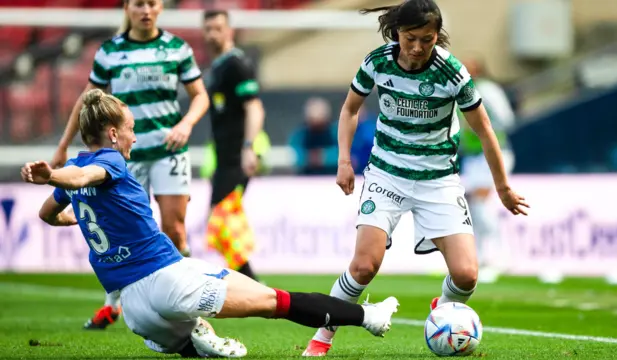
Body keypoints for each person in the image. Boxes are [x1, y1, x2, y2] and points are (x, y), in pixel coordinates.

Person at [23, 89, 399, 358]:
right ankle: (370, 316)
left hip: (135, 311)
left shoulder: (74, 165)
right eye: (131, 128)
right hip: (167, 280)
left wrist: (73, 211)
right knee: (275, 301)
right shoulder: (109, 162)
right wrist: (54, 177)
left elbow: (47, 213)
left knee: (194, 342)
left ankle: (193, 338)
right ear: (113, 133)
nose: (135, 137)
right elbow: (84, 178)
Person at [301, 0, 529, 356]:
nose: (419, 47)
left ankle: (444, 311)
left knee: (467, 274)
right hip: (387, 175)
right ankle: (322, 337)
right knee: (364, 266)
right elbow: (349, 109)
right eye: (411, 38)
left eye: (427, 39)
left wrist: (502, 187)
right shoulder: (377, 62)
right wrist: (344, 161)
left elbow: (485, 131)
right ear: (397, 34)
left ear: (437, 36)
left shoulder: (452, 73)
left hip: (438, 179)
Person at [50, 0, 210, 329]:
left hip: (169, 150)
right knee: (124, 229)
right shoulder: (110, 52)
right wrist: (63, 143)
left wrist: (187, 124)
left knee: (174, 230)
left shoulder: (177, 48)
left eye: (152, 3)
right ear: (127, 8)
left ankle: (190, 295)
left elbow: (200, 95)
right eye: (139, 4)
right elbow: (87, 101)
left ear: (161, 7)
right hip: (122, 155)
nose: (146, 10)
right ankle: (113, 304)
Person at [202, 10, 265, 281]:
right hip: (223, 158)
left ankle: (249, 283)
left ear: (230, 30)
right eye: (208, 29)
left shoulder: (236, 65)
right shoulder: (217, 67)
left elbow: (255, 107)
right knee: (220, 226)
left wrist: (249, 147)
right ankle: (246, 281)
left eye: (218, 27)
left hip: (236, 158)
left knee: (221, 222)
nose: (213, 33)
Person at [459, 58, 516, 283]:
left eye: (469, 66)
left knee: (481, 205)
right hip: (472, 157)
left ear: (478, 70)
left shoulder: (488, 90)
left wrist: (486, 131)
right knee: (472, 209)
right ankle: (482, 258)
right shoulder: (460, 90)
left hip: (492, 153)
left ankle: (502, 257)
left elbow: (506, 118)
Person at [288, 97, 339, 175]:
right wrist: (308, 158)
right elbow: (293, 155)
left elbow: (344, 154)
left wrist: (322, 157)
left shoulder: (335, 133)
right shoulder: (300, 135)